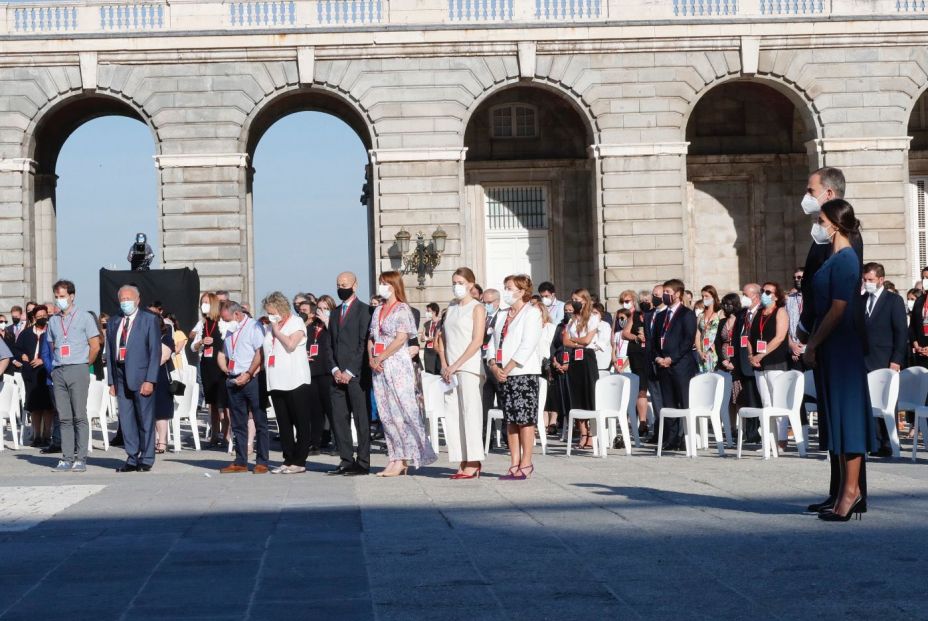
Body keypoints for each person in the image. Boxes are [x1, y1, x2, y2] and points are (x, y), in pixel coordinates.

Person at [797, 167, 867, 514]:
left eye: (811, 190)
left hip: (839, 342)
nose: (818, 224)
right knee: (834, 417)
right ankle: (840, 490)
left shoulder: (846, 252)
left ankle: (852, 492)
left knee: (847, 416)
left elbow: (840, 305)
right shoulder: (829, 248)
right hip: (827, 341)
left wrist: (812, 342)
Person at [368, 272, 436, 476]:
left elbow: (400, 339)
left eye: (385, 284)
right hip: (379, 367)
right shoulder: (378, 309)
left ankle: (406, 456)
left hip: (397, 364)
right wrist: (372, 358)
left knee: (401, 411)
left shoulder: (402, 309)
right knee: (386, 413)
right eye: (380, 283)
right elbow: (371, 336)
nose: (382, 287)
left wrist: (381, 357)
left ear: (394, 286)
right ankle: (394, 456)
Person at [486, 274, 542, 480]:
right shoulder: (502, 315)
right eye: (505, 287)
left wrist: (507, 368)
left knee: (525, 420)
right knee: (510, 420)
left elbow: (528, 344)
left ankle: (526, 462)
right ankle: (514, 461)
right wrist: (493, 364)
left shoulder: (532, 313)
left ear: (521, 291)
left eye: (509, 288)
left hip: (523, 373)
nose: (506, 291)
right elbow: (492, 341)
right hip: (503, 374)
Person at [44, 280, 101, 472]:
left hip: (78, 367)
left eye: (62, 296)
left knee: (79, 415)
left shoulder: (84, 317)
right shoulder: (53, 321)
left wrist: (85, 364)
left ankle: (81, 457)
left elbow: (95, 345)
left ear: (71, 296)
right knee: (64, 417)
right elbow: (53, 346)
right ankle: (66, 457)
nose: (59, 300)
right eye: (57, 297)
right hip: (59, 369)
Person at [106, 285, 162, 472]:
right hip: (120, 374)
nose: (125, 302)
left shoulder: (149, 320)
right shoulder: (114, 322)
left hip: (141, 375)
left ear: (138, 300)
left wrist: (150, 380)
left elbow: (155, 352)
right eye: (122, 299)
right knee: (126, 418)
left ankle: (146, 457)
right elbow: (111, 352)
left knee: (145, 418)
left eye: (128, 299)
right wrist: (112, 381)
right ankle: (131, 456)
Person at [440, 267, 487, 479]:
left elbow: (477, 341)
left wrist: (457, 364)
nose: (456, 286)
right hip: (450, 368)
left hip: (468, 367)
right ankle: (461, 457)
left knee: (470, 413)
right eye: (454, 282)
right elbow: (442, 338)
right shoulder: (451, 307)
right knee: (453, 414)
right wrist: (444, 364)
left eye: (459, 282)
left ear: (470, 284)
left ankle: (474, 460)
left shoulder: (477, 308)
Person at [262, 292, 313, 474]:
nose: (270, 315)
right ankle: (288, 458)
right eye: (268, 312)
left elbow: (291, 344)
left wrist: (277, 331)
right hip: (276, 380)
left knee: (300, 421)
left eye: (272, 311)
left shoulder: (296, 322)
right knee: (283, 423)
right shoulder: (270, 327)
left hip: (295, 379)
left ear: (281, 308)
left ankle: (299, 461)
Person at [327, 272, 372, 476]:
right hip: (337, 376)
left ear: (355, 285)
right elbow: (329, 344)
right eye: (338, 284)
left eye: (344, 284)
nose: (340, 287)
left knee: (361, 419)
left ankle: (362, 462)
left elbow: (363, 343)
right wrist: (335, 369)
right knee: (339, 418)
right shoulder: (335, 313)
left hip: (356, 375)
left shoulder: (365, 311)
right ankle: (346, 459)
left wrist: (350, 371)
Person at [216, 301, 269, 473]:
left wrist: (248, 373)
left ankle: (262, 461)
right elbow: (224, 351)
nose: (223, 322)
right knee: (238, 423)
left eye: (226, 319)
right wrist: (226, 370)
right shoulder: (230, 329)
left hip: (252, 379)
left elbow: (260, 353)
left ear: (237, 315)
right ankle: (240, 461)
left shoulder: (254, 327)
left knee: (259, 421)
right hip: (233, 379)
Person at [862, 262, 907, 457]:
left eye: (870, 280)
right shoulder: (862, 299)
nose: (867, 283)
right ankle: (874, 440)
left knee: (886, 402)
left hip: (885, 358)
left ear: (880, 279)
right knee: (869, 401)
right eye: (865, 280)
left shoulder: (893, 300)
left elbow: (900, 332)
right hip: (863, 359)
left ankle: (888, 441)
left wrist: (896, 359)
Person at [653, 279, 697, 451]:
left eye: (668, 292)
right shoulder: (661, 315)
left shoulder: (687, 314)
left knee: (683, 401)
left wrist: (672, 358)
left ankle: (684, 437)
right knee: (668, 402)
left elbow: (688, 340)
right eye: (664, 292)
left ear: (677, 294)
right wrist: (658, 357)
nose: (665, 295)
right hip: (663, 365)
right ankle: (671, 438)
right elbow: (656, 339)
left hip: (681, 365)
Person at [748, 282, 791, 448]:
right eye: (763, 291)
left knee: (778, 400)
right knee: (766, 402)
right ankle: (769, 438)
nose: (764, 294)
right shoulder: (758, 313)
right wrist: (752, 355)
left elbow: (779, 337)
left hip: (776, 361)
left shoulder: (780, 312)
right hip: (759, 364)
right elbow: (750, 336)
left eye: (768, 292)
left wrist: (761, 354)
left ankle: (781, 439)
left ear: (776, 296)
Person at [191, 293, 230, 448]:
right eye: (202, 303)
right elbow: (193, 347)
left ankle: (227, 434)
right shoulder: (202, 323)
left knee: (224, 403)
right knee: (212, 403)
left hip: (220, 366)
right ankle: (214, 434)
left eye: (206, 302)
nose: (203, 305)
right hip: (206, 366)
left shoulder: (223, 322)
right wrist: (200, 342)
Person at [562, 289, 600, 450]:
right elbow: (565, 341)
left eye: (577, 299)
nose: (574, 302)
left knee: (589, 395)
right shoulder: (571, 320)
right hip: (574, 358)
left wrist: (574, 340)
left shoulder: (593, 317)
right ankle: (583, 432)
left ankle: (592, 433)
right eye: (572, 299)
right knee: (576, 396)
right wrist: (575, 342)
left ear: (584, 300)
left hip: (587, 357)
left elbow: (587, 340)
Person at [13, 306, 54, 447]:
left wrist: (43, 360)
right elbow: (16, 349)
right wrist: (21, 355)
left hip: (46, 372)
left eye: (44, 315)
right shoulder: (26, 333)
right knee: (35, 406)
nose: (42, 317)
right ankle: (37, 435)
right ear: (34, 318)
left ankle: (47, 435)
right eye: (39, 316)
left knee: (48, 406)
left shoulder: (50, 331)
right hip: (31, 373)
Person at [734, 283, 763, 444]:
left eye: (745, 294)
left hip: (759, 360)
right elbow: (736, 338)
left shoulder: (763, 312)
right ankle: (751, 433)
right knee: (749, 398)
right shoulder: (742, 314)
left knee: (760, 399)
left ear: (755, 296)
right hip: (744, 361)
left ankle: (761, 431)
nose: (743, 297)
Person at [620, 290, 650, 437]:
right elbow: (624, 333)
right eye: (642, 300)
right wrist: (636, 337)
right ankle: (643, 422)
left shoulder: (655, 314)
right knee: (641, 388)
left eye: (647, 299)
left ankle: (648, 421)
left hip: (650, 355)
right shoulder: (635, 315)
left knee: (650, 387)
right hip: (636, 354)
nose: (645, 302)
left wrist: (648, 338)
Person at [309, 295, 336, 451]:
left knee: (331, 410)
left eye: (326, 308)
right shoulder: (312, 326)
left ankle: (337, 443)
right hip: (313, 371)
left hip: (328, 371)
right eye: (319, 308)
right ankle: (315, 442)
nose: (322, 311)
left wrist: (327, 321)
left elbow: (338, 339)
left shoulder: (332, 325)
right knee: (315, 410)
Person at [480, 288, 503, 438]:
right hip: (481, 362)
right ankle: (487, 436)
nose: (486, 305)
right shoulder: (481, 316)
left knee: (502, 400)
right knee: (484, 401)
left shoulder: (502, 316)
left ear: (497, 302)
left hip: (496, 363)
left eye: (489, 302)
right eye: (484, 302)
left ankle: (507, 436)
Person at [696, 286, 721, 374]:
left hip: (715, 350)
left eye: (706, 296)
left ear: (713, 297)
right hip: (703, 351)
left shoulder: (720, 313)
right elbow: (698, 334)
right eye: (702, 296)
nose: (704, 298)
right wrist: (699, 351)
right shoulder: (700, 315)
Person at [421, 302, 442, 375]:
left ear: (434, 312)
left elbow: (441, 336)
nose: (427, 313)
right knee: (429, 372)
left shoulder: (441, 322)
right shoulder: (426, 324)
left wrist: (432, 338)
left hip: (437, 349)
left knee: (438, 371)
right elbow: (422, 338)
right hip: (428, 350)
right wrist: (424, 338)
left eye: (428, 311)